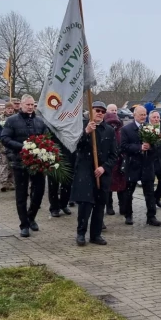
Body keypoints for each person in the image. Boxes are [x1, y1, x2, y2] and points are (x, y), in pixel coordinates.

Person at [0, 95, 49, 237]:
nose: (30, 107)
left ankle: (31, 216)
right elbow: (5, 138)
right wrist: (23, 147)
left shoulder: (39, 121)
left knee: (38, 192)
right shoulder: (12, 121)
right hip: (19, 161)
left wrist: (44, 148)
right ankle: (24, 224)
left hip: (38, 162)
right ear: (20, 105)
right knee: (21, 194)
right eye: (27, 104)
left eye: (32, 104)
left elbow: (47, 138)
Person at [70, 101, 118, 246]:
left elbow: (114, 154)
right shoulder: (82, 126)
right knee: (85, 205)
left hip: (102, 173)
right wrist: (86, 133)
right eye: (97, 110)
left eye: (103, 112)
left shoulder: (109, 130)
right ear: (91, 111)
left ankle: (95, 235)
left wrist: (104, 167)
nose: (100, 113)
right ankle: (81, 233)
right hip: (86, 171)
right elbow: (75, 146)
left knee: (99, 205)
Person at [119, 106, 161, 227]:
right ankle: (128, 214)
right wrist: (139, 148)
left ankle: (151, 216)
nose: (143, 117)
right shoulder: (126, 129)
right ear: (134, 115)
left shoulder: (151, 128)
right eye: (141, 115)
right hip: (133, 164)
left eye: (145, 114)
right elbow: (123, 146)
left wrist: (151, 147)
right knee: (129, 192)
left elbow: (157, 147)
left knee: (149, 192)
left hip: (147, 165)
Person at [104, 105, 126, 216]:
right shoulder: (105, 130)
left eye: (115, 110)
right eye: (112, 110)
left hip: (119, 162)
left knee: (121, 186)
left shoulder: (120, 130)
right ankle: (109, 206)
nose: (114, 112)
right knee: (108, 186)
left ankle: (123, 207)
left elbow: (122, 143)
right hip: (109, 162)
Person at [47, 134, 73, 218]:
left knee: (67, 183)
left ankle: (63, 204)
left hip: (69, 154)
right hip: (53, 154)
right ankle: (54, 207)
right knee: (53, 183)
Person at [149, 111, 161, 208]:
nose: (156, 119)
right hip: (151, 160)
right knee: (150, 182)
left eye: (158, 117)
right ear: (150, 118)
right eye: (154, 117)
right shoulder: (146, 128)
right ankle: (151, 201)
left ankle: (157, 197)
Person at [0, 102, 16, 192]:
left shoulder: (16, 118)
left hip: (13, 146)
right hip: (2, 146)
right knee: (3, 164)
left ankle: (11, 182)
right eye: (8, 108)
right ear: (5, 109)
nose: (10, 110)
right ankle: (3, 183)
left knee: (12, 165)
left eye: (11, 108)